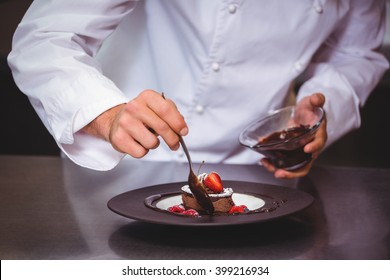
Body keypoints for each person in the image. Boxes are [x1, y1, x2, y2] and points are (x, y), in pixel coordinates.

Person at [8, 0, 388, 179]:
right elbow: (45, 38)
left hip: (254, 173)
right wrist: (105, 114)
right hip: (118, 166)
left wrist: (323, 107)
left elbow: (358, 51)